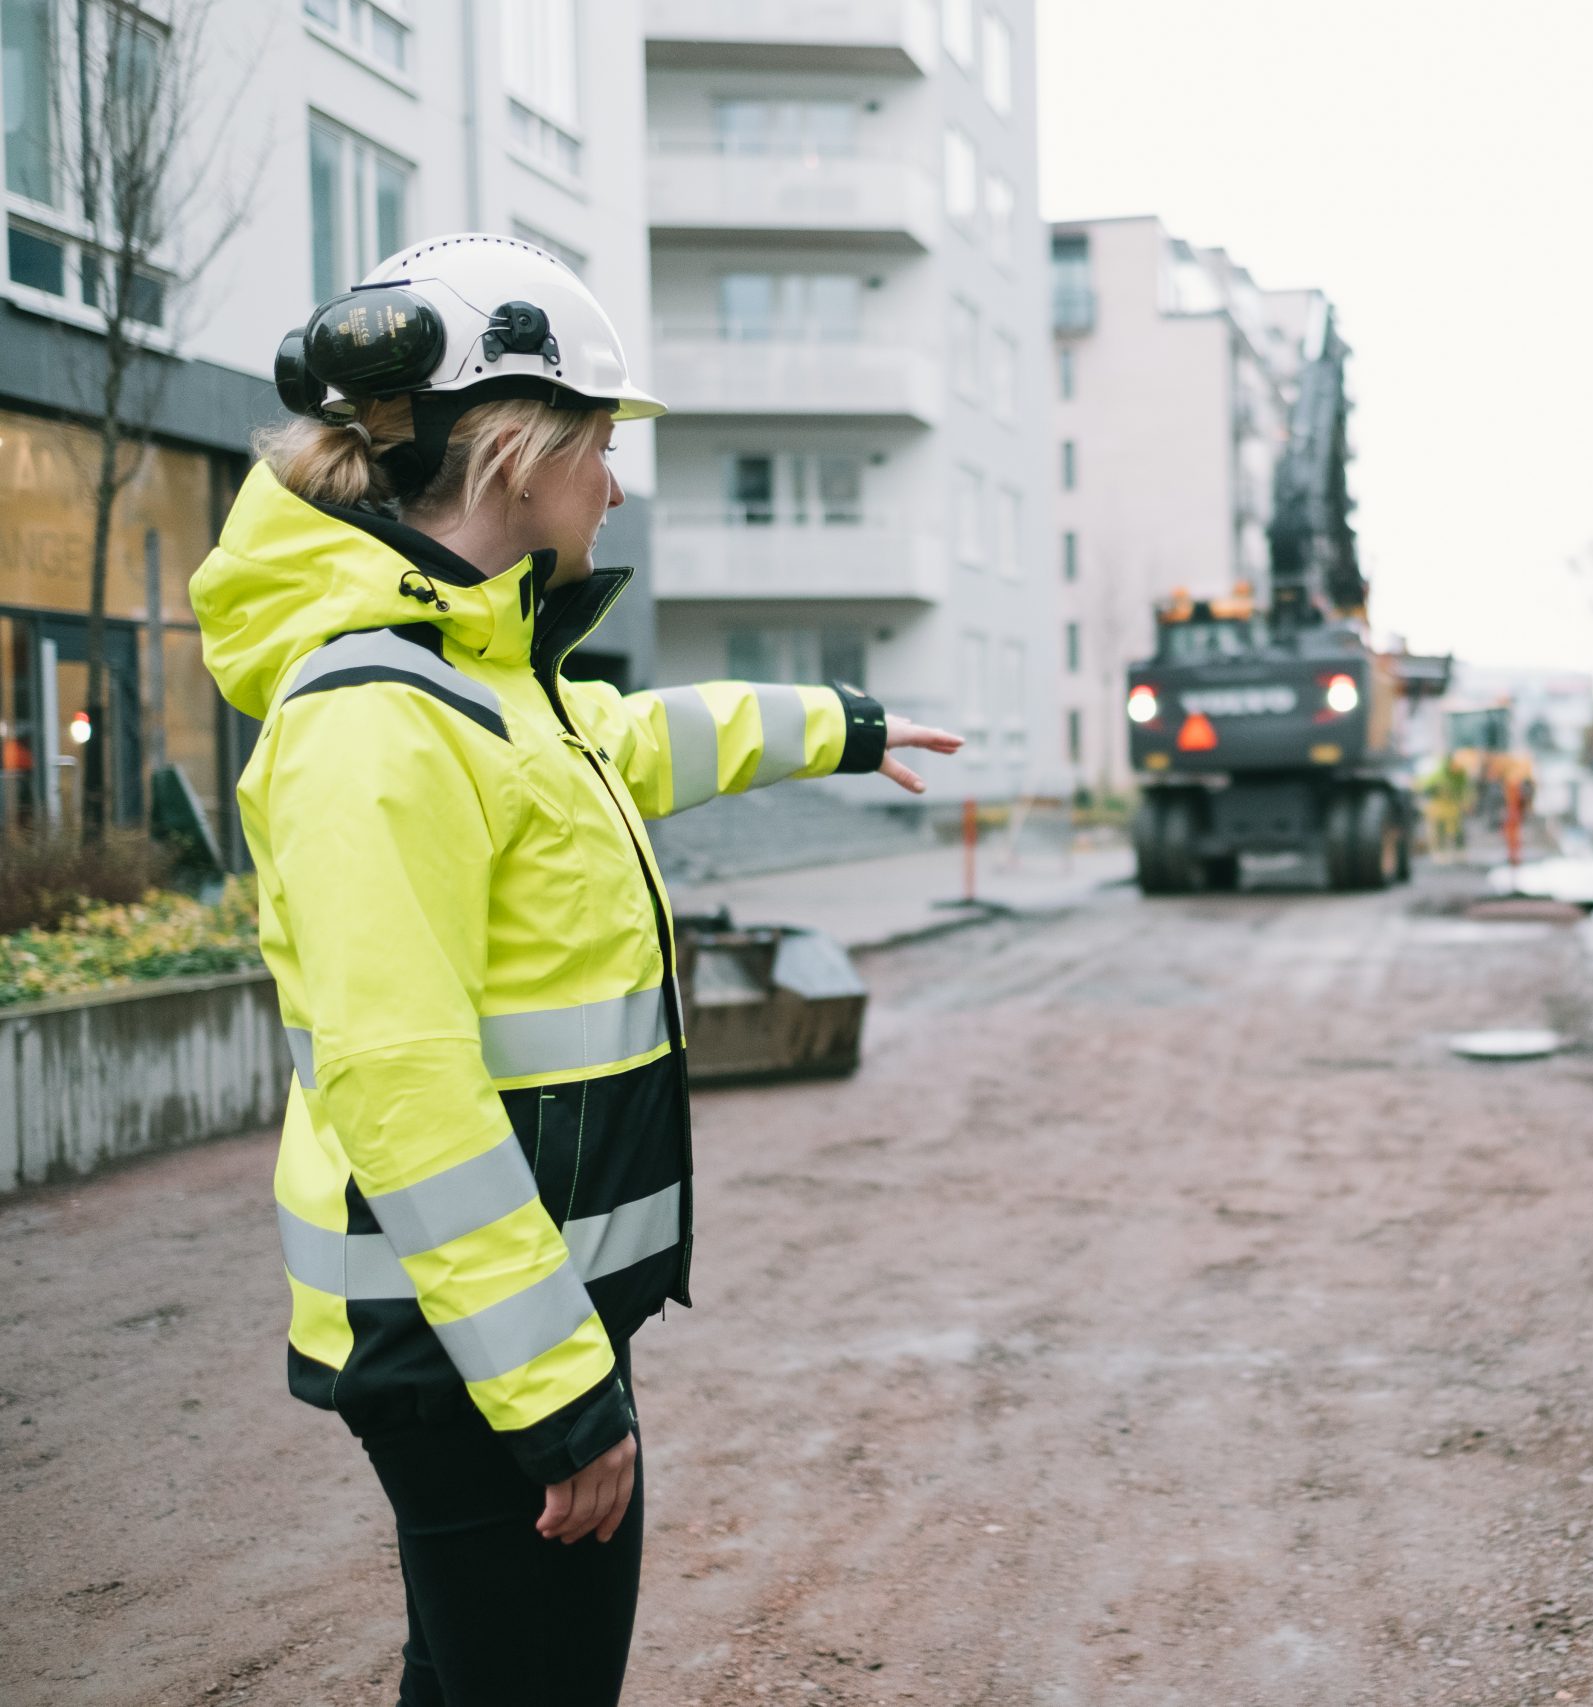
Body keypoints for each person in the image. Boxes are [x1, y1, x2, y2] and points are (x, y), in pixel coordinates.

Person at [189, 233, 961, 1705]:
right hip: (473, 1351)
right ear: (516, 459)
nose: (616, 483)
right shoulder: (375, 719)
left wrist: (838, 723)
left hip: (509, 1325)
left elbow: (616, 750)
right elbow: (400, 1084)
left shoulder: (473, 681)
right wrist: (555, 1399)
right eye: (601, 447)